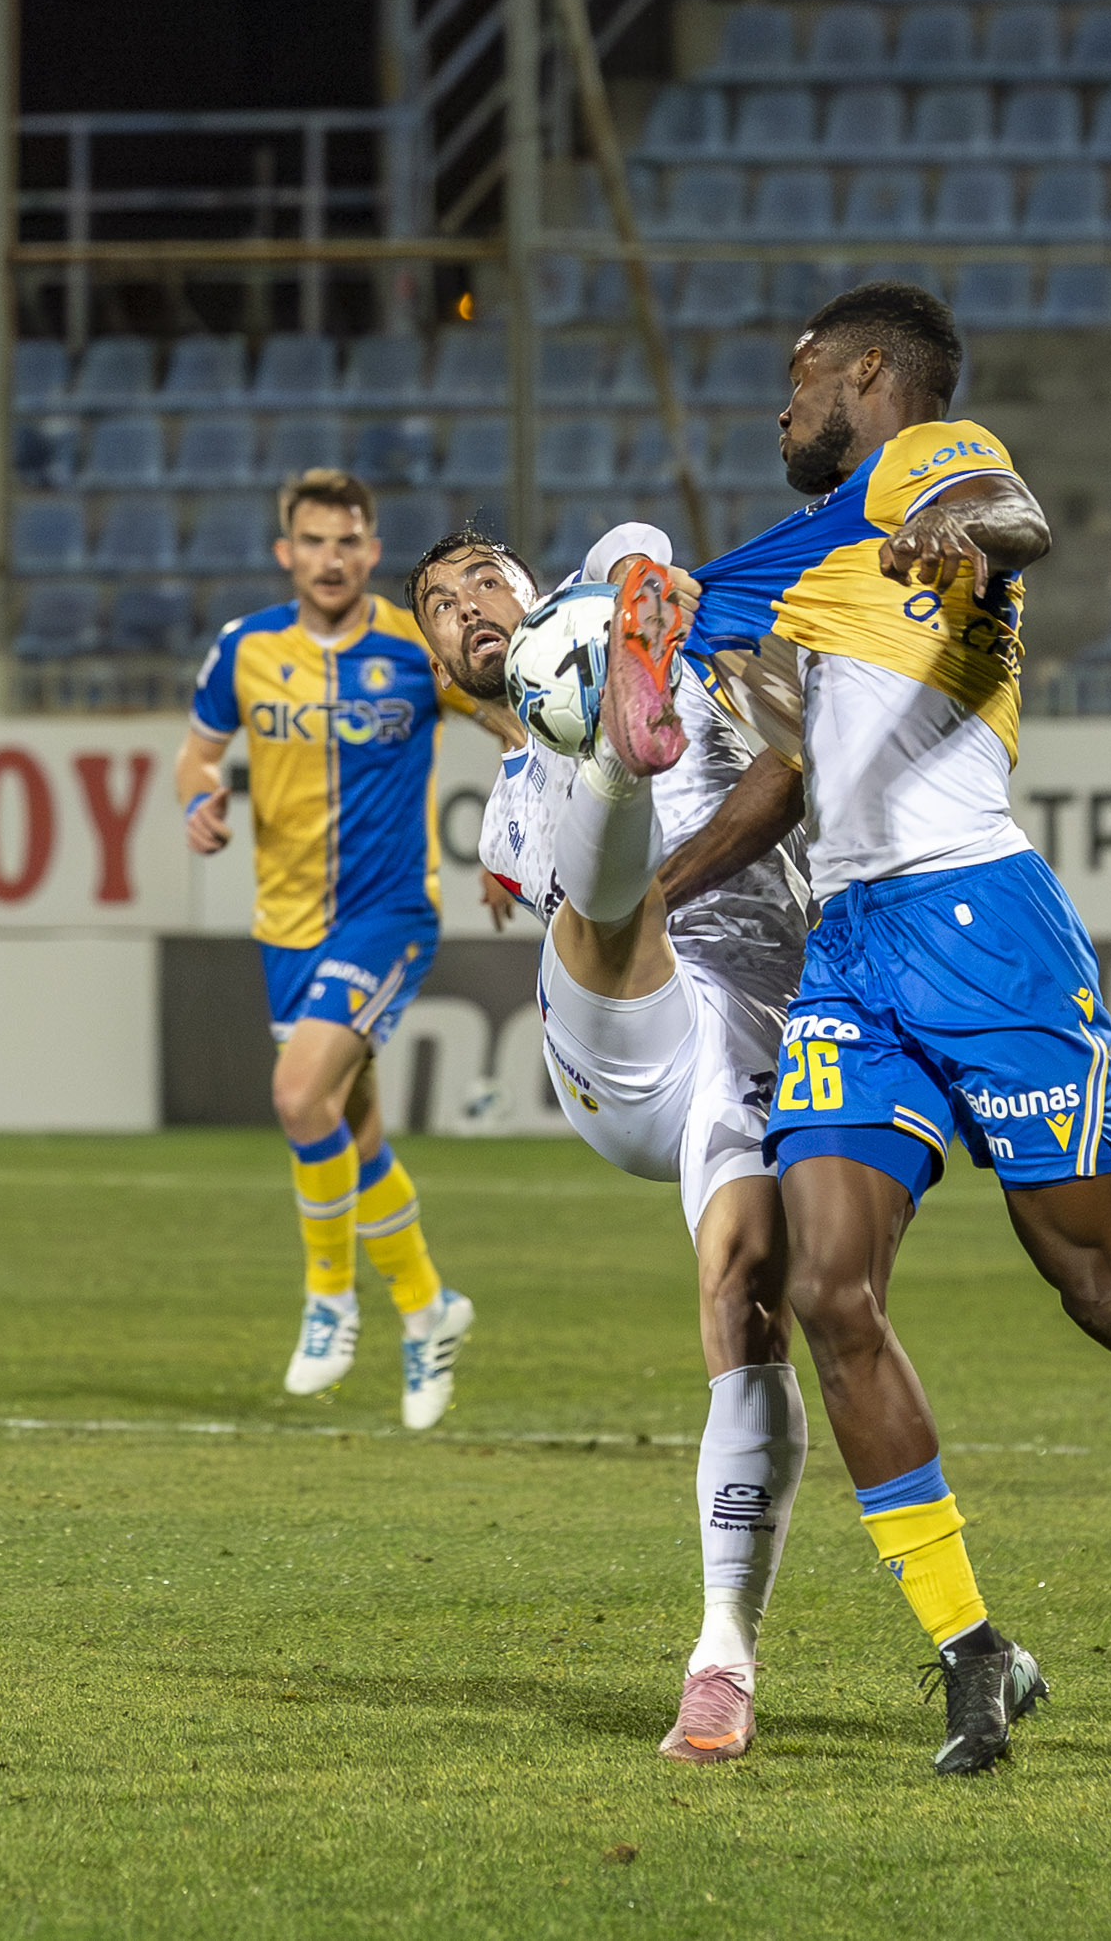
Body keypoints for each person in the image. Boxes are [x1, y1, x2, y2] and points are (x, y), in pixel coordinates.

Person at [687, 279, 1111, 1776]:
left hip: (985, 929)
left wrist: (957, 527)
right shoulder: (821, 564)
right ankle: (970, 1649)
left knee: (1102, 1286)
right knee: (826, 1289)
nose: (782, 404)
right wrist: (645, 894)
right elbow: (790, 770)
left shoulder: (925, 463)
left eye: (799, 372)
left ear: (868, 368)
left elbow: (1014, 512)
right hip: (852, 947)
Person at [406, 523, 812, 1765]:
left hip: (753, 1025)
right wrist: (650, 890)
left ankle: (722, 1659)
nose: (466, 605)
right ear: (440, 663)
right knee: (598, 899)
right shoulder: (504, 824)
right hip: (619, 1050)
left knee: (745, 1295)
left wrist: (634, 596)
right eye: (438, 606)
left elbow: (790, 772)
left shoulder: (690, 663)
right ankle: (617, 765)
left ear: (543, 593)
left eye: (486, 579)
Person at [177, 467, 474, 1429]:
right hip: (286, 927)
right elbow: (197, 753)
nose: (332, 558)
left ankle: (328, 1301)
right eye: (314, 541)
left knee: (297, 1095)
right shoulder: (246, 649)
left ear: (372, 550)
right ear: (286, 553)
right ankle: (429, 1309)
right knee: (354, 1133)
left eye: (348, 541)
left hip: (388, 915)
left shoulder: (415, 645)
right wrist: (198, 799)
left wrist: (527, 837)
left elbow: (514, 722)